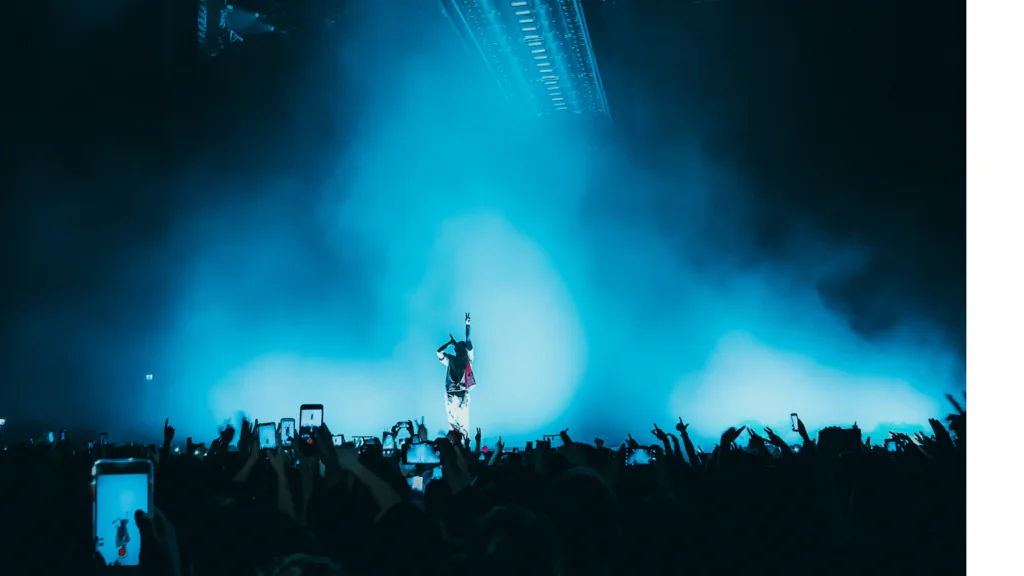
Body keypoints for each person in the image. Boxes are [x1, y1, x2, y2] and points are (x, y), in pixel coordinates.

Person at [437, 313, 475, 438]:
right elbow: (439, 352)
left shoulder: (468, 359)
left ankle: (464, 446)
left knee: (463, 429)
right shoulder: (450, 360)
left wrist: (467, 325)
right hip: (451, 395)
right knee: (453, 428)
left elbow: (469, 343)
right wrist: (450, 342)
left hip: (462, 395)